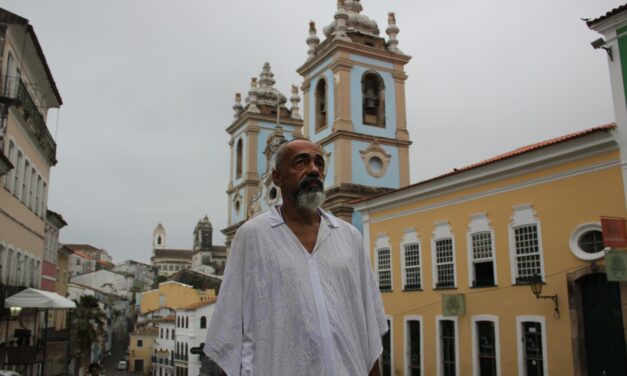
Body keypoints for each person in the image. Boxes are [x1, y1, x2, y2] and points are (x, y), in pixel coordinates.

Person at [204, 139, 387, 375]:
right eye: (301, 162)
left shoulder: (349, 237)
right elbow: (228, 334)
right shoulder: (252, 237)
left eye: (319, 163)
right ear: (277, 178)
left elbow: (369, 330)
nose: (313, 169)